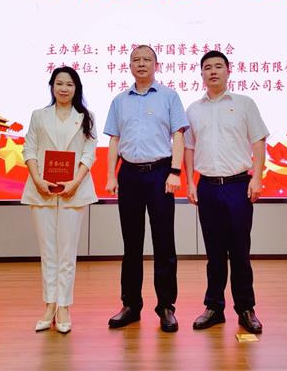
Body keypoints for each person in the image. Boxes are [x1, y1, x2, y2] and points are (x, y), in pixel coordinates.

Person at [104, 45, 188, 333]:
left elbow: (178, 135)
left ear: (156, 65)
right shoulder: (119, 101)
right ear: (129, 66)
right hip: (128, 174)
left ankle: (166, 306)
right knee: (131, 244)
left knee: (164, 243)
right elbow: (114, 140)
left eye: (147, 60)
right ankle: (130, 305)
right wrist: (111, 176)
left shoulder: (169, 96)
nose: (141, 64)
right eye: (136, 60)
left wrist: (175, 171)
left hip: (160, 174)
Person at [184, 50, 268, 334]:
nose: (213, 71)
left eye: (218, 66)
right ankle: (214, 307)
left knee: (240, 251)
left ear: (228, 71)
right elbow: (189, 147)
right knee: (214, 253)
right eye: (207, 67)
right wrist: (190, 181)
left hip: (238, 186)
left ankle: (246, 309)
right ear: (201, 74)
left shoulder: (245, 104)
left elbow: (258, 141)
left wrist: (257, 178)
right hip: (207, 187)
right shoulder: (194, 110)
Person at [21, 66, 98, 334]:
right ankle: (49, 304)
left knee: (66, 252)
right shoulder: (39, 116)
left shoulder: (86, 117)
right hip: (41, 190)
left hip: (73, 192)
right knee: (48, 252)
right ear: (52, 86)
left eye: (69, 84)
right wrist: (37, 179)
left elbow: (89, 153)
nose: (64, 88)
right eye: (59, 83)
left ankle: (64, 306)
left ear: (77, 88)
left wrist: (74, 182)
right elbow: (29, 148)